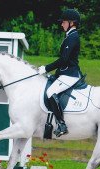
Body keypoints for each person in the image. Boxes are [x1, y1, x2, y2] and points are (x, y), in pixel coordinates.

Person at [38, 9, 82, 137]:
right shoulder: (69, 36)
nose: (61, 24)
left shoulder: (73, 37)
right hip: (65, 73)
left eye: (63, 22)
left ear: (72, 23)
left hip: (70, 74)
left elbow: (64, 60)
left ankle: (62, 124)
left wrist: (46, 68)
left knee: (51, 92)